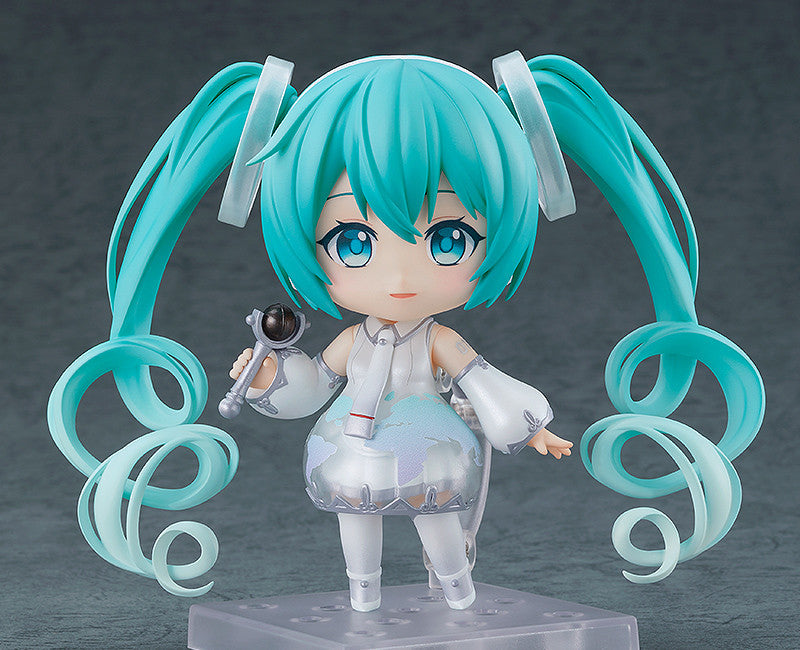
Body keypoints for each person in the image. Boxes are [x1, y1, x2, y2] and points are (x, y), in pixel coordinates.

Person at [48, 52, 764, 605]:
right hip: (353, 449)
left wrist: (530, 428)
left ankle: (456, 594)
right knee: (355, 526)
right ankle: (362, 600)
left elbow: (484, 382)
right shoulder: (351, 341)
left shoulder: (438, 341)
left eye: (449, 239)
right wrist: (270, 374)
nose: (397, 276)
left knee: (437, 523)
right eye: (353, 242)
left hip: (427, 447)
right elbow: (315, 384)